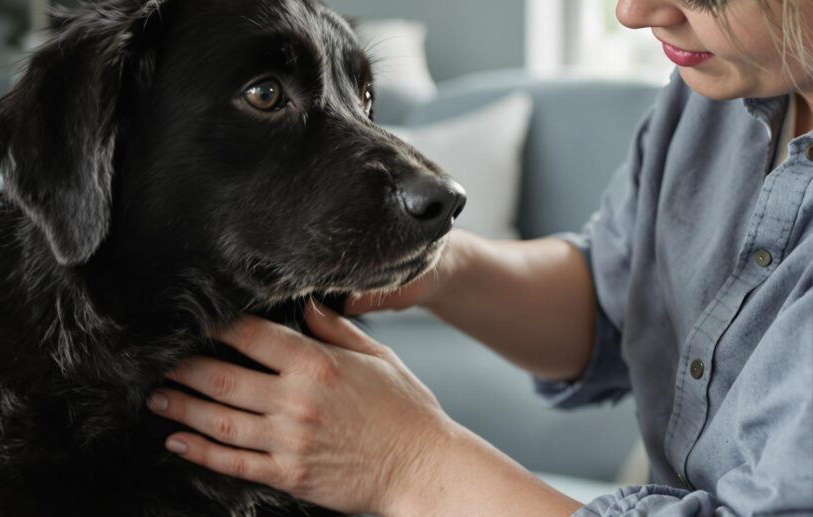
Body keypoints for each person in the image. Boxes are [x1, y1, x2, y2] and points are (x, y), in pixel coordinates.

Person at [145, 0, 813, 514]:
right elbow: (624, 301)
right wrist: (448, 268)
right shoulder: (716, 100)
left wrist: (407, 461)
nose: (632, 12)